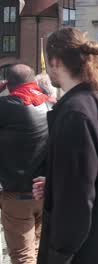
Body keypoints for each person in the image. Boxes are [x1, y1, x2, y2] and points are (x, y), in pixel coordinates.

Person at [37, 27, 98, 263]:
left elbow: (78, 194)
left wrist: (60, 252)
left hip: (81, 251)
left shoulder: (75, 112)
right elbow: (97, 175)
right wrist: (53, 185)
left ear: (55, 61)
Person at [0, 64, 49, 264]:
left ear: (7, 84)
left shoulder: (7, 105)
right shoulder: (53, 105)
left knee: (22, 255)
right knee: (36, 250)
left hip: (16, 193)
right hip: (46, 191)